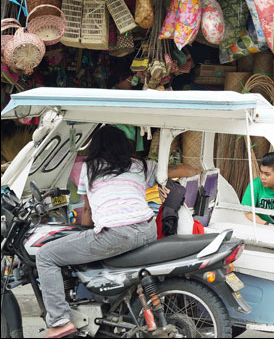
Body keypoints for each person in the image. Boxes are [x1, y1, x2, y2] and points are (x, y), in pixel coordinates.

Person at [37, 125, 199, 338]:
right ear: (125, 146)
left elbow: (88, 211)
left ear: (95, 147)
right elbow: (190, 170)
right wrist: (163, 173)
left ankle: (59, 321)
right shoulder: (140, 166)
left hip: (117, 234)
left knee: (46, 255)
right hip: (147, 230)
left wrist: (86, 234)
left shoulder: (89, 168)